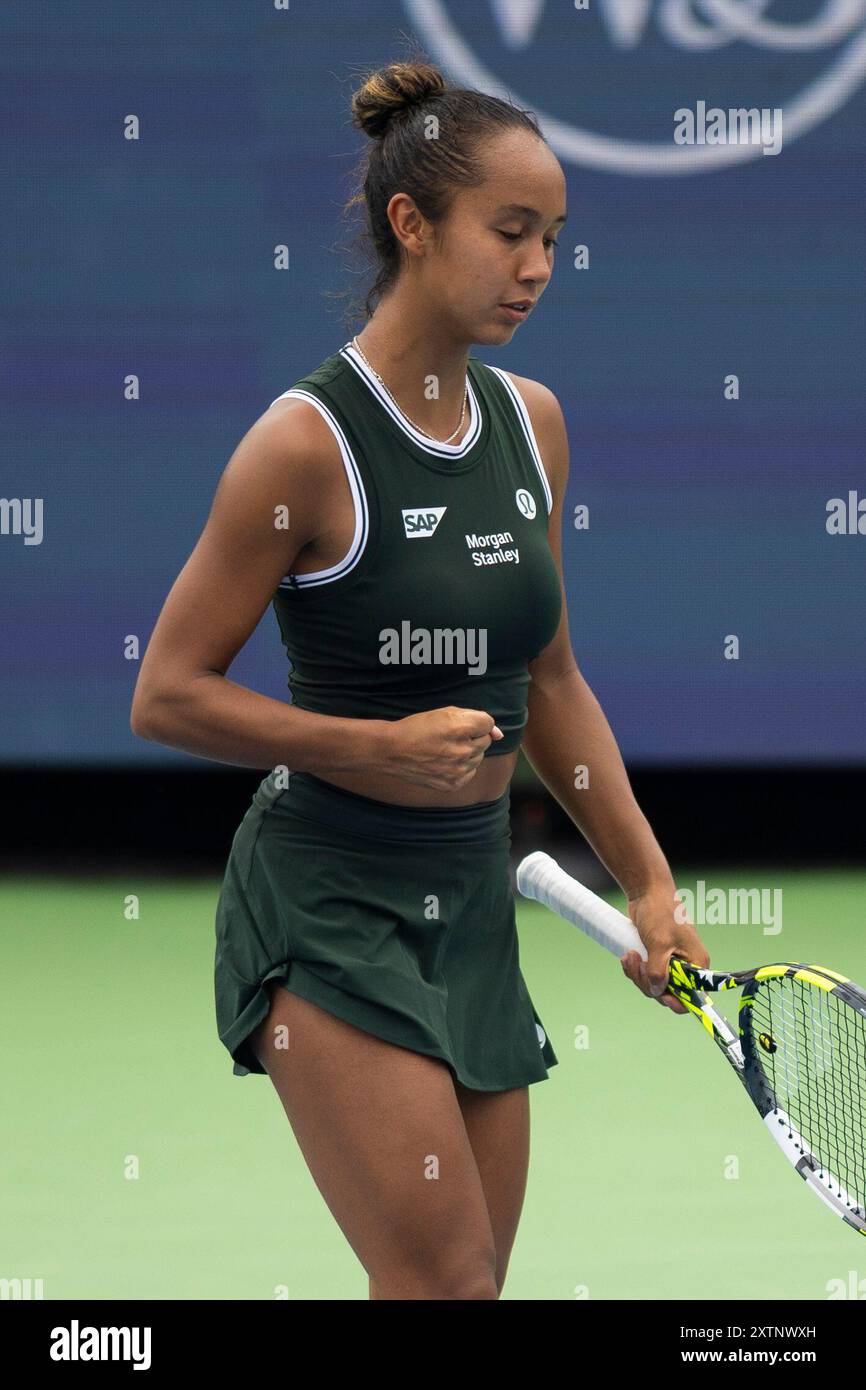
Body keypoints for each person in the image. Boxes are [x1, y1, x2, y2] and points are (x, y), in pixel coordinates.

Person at [130, 57, 710, 1301]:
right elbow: (166, 693)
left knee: (466, 1290)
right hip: (327, 907)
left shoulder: (531, 424)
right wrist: (367, 747)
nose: (538, 266)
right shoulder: (303, 443)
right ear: (412, 223)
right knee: (442, 1278)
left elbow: (547, 678)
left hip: (470, 907)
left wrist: (650, 880)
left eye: (551, 238)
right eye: (510, 232)